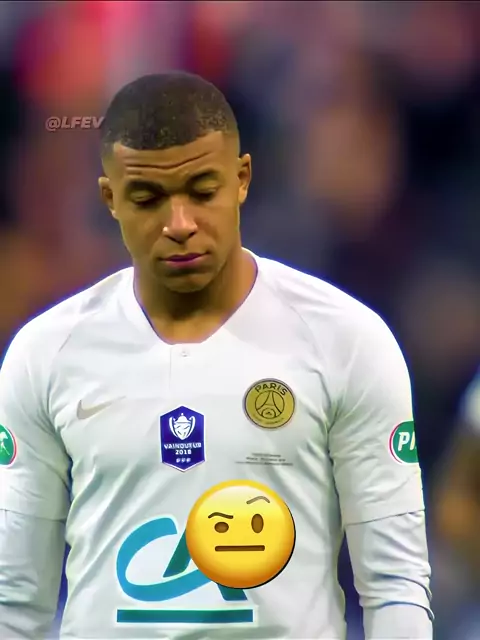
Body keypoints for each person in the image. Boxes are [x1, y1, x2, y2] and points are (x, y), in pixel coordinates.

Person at [0, 71, 433, 640]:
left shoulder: (346, 340)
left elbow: (396, 583)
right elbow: (14, 599)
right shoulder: (46, 353)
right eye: (148, 199)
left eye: (203, 192)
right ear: (110, 199)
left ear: (242, 179)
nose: (179, 224)